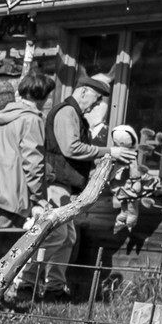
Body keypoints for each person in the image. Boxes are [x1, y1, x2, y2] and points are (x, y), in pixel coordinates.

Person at [37, 74, 112, 298]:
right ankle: (24, 283)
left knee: (67, 238)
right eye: (97, 99)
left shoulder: (76, 114)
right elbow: (71, 148)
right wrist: (108, 151)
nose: (97, 105)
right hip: (55, 184)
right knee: (54, 236)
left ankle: (54, 288)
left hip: (66, 185)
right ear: (82, 92)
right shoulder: (67, 112)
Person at [0, 65, 51, 231]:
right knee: (7, 248)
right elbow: (33, 161)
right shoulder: (32, 120)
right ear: (42, 96)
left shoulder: (0, 118)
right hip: (13, 192)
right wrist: (38, 197)